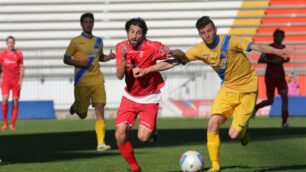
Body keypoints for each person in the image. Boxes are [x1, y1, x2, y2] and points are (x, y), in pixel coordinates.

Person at [132, 16, 289, 172]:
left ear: (215, 30)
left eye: (209, 30)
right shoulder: (200, 50)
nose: (207, 35)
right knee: (212, 124)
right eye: (203, 33)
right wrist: (146, 70)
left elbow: (258, 47)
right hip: (227, 89)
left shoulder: (230, 41)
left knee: (234, 134)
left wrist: (278, 51)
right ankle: (215, 166)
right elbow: (175, 61)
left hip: (248, 89)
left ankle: (244, 131)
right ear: (200, 34)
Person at [114, 17, 171, 172]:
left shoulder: (153, 47)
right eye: (131, 31)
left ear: (144, 34)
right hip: (130, 97)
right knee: (119, 135)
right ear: (127, 32)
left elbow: (172, 61)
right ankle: (135, 168)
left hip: (150, 98)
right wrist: (124, 59)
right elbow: (119, 76)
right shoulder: (121, 47)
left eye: (139, 33)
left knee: (143, 138)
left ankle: (152, 126)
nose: (134, 35)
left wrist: (148, 69)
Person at [63, 13, 114, 151]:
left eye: (91, 22)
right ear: (81, 24)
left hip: (97, 79)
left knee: (100, 108)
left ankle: (101, 143)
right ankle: (76, 107)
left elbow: (100, 57)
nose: (88, 24)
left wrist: (108, 57)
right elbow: (66, 59)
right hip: (82, 82)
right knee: (82, 114)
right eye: (86, 22)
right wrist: (79, 62)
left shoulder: (99, 41)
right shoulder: (75, 41)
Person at [253, 29, 290, 128]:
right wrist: (274, 61)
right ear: (274, 37)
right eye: (278, 36)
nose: (279, 38)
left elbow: (286, 59)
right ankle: (256, 107)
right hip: (270, 76)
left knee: (285, 96)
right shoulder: (268, 48)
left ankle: (284, 123)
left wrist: (284, 59)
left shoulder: (284, 48)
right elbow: (260, 60)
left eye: (281, 36)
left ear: (283, 38)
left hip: (281, 76)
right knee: (271, 101)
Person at [0, 36, 23, 131]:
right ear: (6, 43)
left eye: (12, 42)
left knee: (15, 101)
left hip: (15, 80)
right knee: (4, 99)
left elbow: (21, 67)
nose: (10, 44)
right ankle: (5, 122)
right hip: (6, 80)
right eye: (9, 42)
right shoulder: (2, 54)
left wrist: (20, 80)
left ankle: (12, 124)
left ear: (14, 43)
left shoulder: (19, 54)